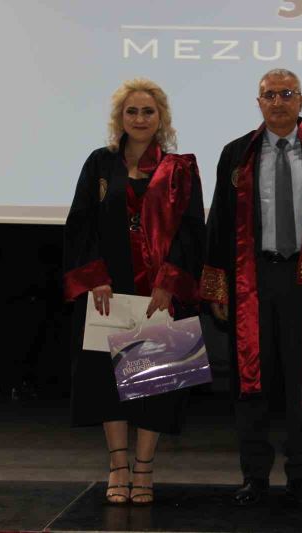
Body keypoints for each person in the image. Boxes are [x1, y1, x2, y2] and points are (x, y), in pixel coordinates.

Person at [201, 69, 302, 507]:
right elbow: (218, 223)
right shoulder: (236, 154)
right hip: (252, 278)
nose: (278, 102)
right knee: (251, 382)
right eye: (269, 95)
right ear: (258, 102)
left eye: (286, 94)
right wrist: (217, 287)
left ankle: (301, 475)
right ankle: (255, 476)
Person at [63, 78, 205, 505]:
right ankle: (118, 467)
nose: (140, 118)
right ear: (119, 118)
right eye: (132, 111)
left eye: (148, 111)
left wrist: (170, 281)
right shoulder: (99, 163)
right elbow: (80, 222)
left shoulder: (181, 168)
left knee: (155, 384)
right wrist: (95, 276)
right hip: (108, 289)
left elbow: (192, 231)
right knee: (107, 381)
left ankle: (144, 468)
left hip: (160, 291)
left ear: (161, 118)